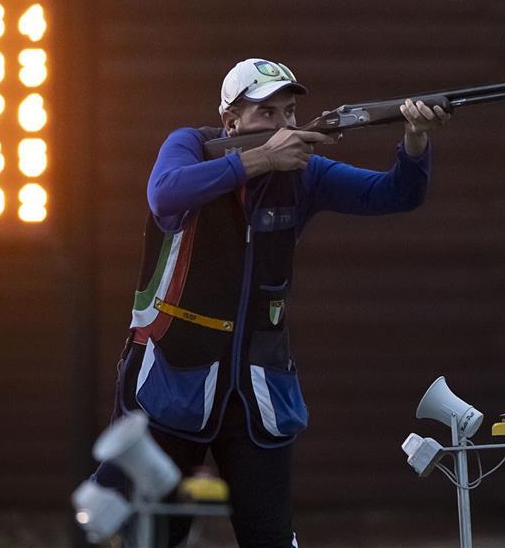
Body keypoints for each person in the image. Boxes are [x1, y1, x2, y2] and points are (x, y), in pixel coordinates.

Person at [91, 58, 450, 547]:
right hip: (172, 376)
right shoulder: (191, 145)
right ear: (231, 121)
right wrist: (259, 160)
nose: (282, 125)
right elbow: (164, 194)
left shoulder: (305, 171)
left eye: (288, 112)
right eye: (266, 114)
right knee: (150, 532)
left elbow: (395, 194)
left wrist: (414, 140)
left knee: (270, 535)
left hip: (258, 387)